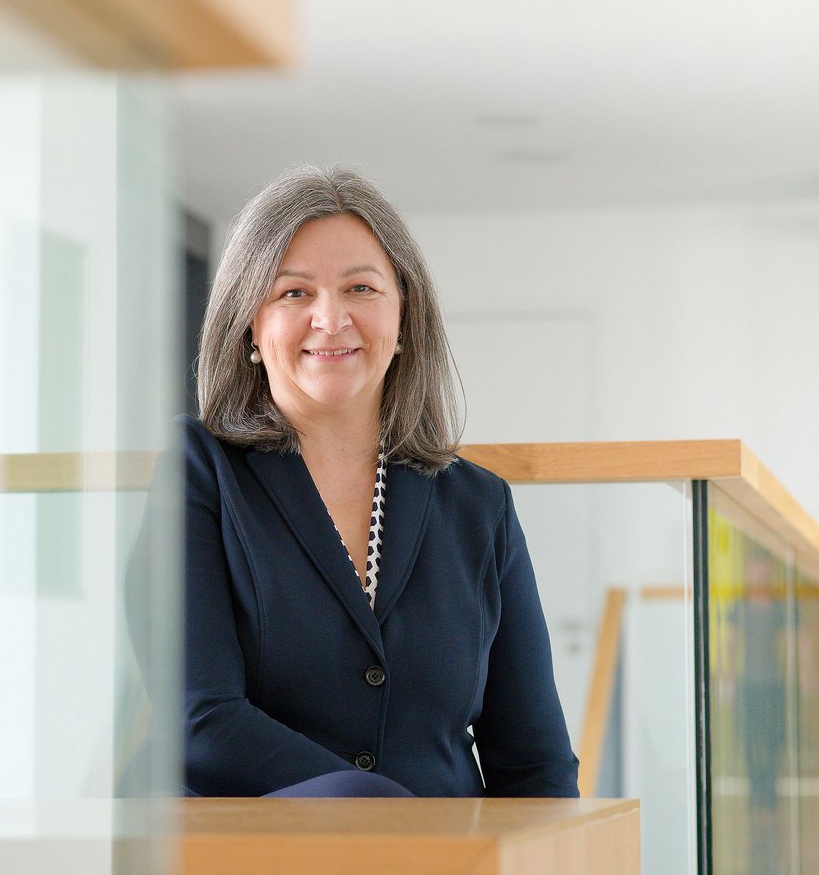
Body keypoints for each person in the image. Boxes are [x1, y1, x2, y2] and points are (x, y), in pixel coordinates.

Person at [174, 164, 576, 798]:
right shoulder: (200, 471)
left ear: (404, 313)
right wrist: (386, 821)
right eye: (293, 293)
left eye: (360, 288)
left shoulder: (479, 504)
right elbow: (199, 725)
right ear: (250, 323)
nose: (331, 319)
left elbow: (535, 763)